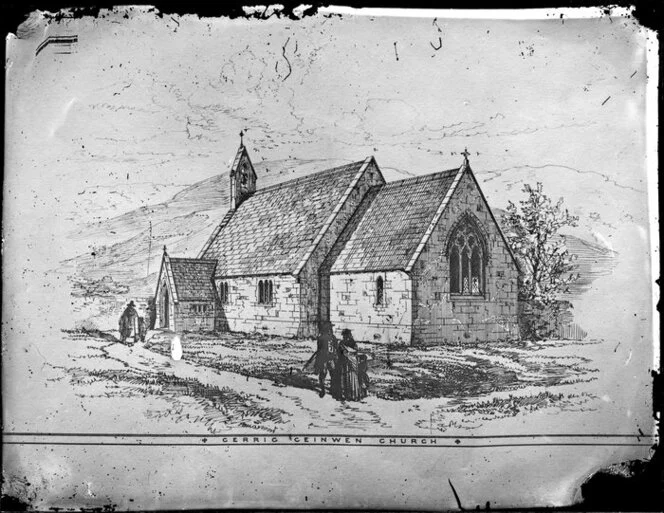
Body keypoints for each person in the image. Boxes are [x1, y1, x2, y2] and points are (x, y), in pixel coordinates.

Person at [305, 321, 338, 398]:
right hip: (330, 358)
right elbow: (336, 347)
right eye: (330, 328)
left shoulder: (321, 338)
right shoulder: (333, 337)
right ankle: (331, 389)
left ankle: (323, 389)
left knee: (323, 374)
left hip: (324, 358)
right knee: (332, 373)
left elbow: (319, 349)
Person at [334, 329, 365, 401]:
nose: (345, 337)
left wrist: (347, 354)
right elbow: (339, 352)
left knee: (351, 379)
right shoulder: (343, 343)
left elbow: (355, 352)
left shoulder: (350, 343)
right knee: (346, 379)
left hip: (349, 363)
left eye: (346, 335)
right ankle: (348, 395)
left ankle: (351, 395)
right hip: (345, 363)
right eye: (344, 336)